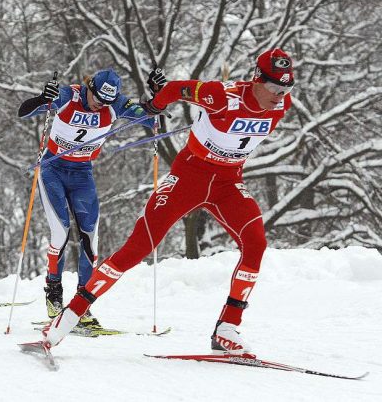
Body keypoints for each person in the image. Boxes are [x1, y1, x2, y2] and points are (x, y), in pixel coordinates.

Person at [42, 49, 295, 353]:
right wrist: (153, 105)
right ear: (257, 79)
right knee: (136, 249)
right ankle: (69, 317)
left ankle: (227, 327)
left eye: (286, 89)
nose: (280, 96)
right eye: (274, 88)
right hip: (189, 178)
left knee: (256, 242)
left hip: (228, 184)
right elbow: (175, 90)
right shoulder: (222, 95)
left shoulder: (282, 105)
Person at [18, 69, 153, 328]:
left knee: (91, 239)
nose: (100, 105)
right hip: (53, 170)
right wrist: (40, 98)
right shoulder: (68, 95)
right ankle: (54, 294)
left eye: (106, 102)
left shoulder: (116, 105)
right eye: (97, 98)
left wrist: (158, 98)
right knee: (60, 232)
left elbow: (150, 118)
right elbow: (23, 112)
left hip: (82, 174)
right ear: (89, 87)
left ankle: (82, 305)